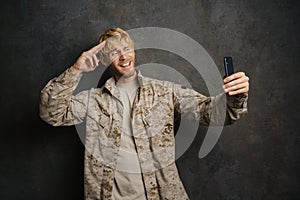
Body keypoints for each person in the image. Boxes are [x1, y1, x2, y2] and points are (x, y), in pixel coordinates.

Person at [40, 28, 249, 200]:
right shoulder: (92, 100)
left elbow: (213, 113)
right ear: (104, 60)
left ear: (134, 51)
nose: (123, 57)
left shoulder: (166, 91)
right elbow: (51, 113)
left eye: (127, 49)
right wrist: (75, 70)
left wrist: (236, 96)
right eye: (114, 52)